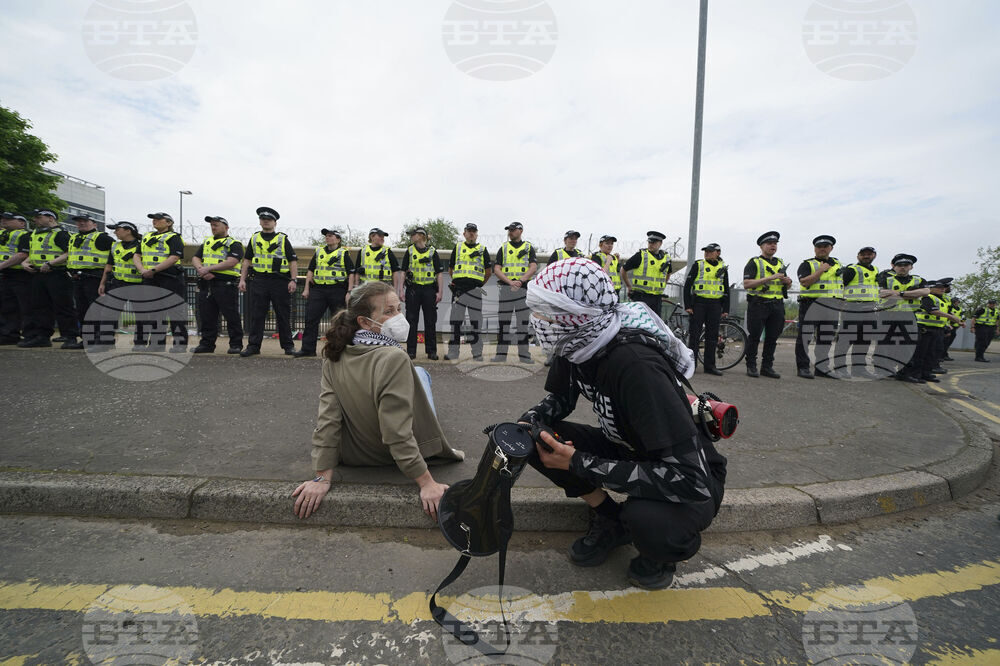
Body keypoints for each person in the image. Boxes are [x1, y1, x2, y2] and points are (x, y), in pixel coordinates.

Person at [519, 257, 727, 589]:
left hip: (688, 474)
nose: (537, 320)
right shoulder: (576, 342)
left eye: (544, 311)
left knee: (647, 520)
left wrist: (578, 462)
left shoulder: (634, 366)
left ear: (575, 316)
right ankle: (610, 520)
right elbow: (561, 400)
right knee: (530, 439)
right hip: (630, 448)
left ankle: (659, 554)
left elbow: (691, 480)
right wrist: (530, 421)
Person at [291, 280, 464, 521]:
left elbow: (328, 419)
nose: (398, 317)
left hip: (356, 453)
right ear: (364, 322)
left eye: (398, 309)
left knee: (420, 374)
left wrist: (322, 476)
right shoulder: (394, 357)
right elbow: (396, 433)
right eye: (389, 312)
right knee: (421, 376)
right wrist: (426, 482)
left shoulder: (335, 352)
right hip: (392, 454)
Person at [239, 206, 298, 357]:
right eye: (263, 219)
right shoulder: (254, 238)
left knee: (283, 315)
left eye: (269, 220)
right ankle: (253, 346)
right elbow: (246, 260)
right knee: (257, 314)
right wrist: (242, 279)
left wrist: (293, 280)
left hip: (279, 281)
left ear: (275, 223)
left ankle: (288, 346)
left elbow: (292, 261)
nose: (266, 222)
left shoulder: (282, 239)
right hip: (259, 280)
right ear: (260, 221)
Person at [18, 209, 80, 349]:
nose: (36, 220)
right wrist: (25, 262)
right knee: (40, 307)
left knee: (63, 307)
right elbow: (34, 253)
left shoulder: (61, 234)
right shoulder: (35, 233)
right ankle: (42, 337)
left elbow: (69, 253)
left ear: (51, 218)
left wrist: (50, 263)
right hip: (38, 274)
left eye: (39, 217)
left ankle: (70, 337)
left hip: (57, 274)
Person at [132, 212, 188, 352]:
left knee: (176, 313)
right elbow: (137, 255)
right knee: (155, 313)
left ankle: (179, 345)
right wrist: (142, 270)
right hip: (150, 278)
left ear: (169, 223)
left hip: (169, 278)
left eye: (159, 219)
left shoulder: (174, 237)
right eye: (153, 219)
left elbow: (174, 257)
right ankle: (156, 344)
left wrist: (153, 270)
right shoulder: (146, 237)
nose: (155, 221)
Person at [295, 228, 355, 358]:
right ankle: (307, 349)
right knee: (311, 319)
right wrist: (306, 289)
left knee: (339, 321)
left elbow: (351, 273)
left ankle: (338, 350)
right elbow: (310, 271)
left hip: (337, 290)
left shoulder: (343, 254)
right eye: (326, 236)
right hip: (318, 290)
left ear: (338, 239)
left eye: (330, 235)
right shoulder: (319, 252)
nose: (327, 237)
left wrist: (349, 291)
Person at [191, 216, 245, 354]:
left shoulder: (234, 243)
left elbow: (232, 261)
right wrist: (201, 270)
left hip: (225, 284)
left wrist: (209, 269)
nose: (213, 227)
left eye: (216, 225)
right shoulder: (207, 242)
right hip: (206, 283)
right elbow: (196, 258)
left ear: (226, 227)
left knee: (231, 315)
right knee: (207, 315)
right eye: (212, 225)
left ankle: (236, 344)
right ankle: (207, 344)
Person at [742, 231, 791, 379]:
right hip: (758, 304)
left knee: (772, 338)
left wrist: (787, 282)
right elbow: (747, 284)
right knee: (755, 337)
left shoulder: (780, 263)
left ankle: (767, 367)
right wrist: (771, 277)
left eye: (775, 244)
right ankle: (751, 366)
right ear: (762, 246)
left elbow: (787, 287)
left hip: (777, 305)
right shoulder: (754, 262)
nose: (773, 246)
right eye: (769, 243)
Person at [795, 235, 843, 379]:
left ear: (831, 248)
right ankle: (803, 368)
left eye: (825, 246)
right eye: (819, 247)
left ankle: (822, 369)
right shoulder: (807, 264)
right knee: (805, 338)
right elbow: (804, 282)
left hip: (832, 306)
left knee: (826, 339)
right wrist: (821, 270)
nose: (822, 249)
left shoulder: (839, 265)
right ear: (815, 249)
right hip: (811, 305)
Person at [897, 279, 963, 383]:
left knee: (932, 354)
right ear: (930, 288)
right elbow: (932, 310)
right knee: (919, 354)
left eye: (944, 287)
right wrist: (951, 317)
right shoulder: (927, 297)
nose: (943, 289)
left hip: (937, 330)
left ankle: (925, 373)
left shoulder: (944, 300)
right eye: (939, 287)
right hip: (924, 329)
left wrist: (956, 321)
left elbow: (948, 314)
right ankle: (913, 374)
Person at [877, 253, 928, 378]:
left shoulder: (919, 280)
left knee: (907, 347)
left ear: (911, 267)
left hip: (909, 317)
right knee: (885, 346)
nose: (903, 267)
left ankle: (904, 372)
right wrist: (911, 293)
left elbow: (926, 292)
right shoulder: (885, 278)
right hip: (888, 316)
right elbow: (882, 293)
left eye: (906, 265)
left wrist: (899, 293)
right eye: (899, 265)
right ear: (894, 266)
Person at [445, 222, 491, 361]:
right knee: (456, 322)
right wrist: (458, 281)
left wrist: (478, 284)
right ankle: (453, 352)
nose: (471, 233)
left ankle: (477, 353)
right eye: (469, 231)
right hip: (459, 290)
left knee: (476, 323)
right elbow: (451, 269)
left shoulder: (483, 250)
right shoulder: (458, 247)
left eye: (474, 231)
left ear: (476, 234)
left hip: (475, 291)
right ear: (464, 233)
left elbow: (488, 272)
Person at [65, 213, 113, 347]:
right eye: (79, 221)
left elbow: (115, 256)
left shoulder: (102, 238)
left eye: (85, 221)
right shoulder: (74, 237)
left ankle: (101, 339)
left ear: (94, 224)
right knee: (82, 310)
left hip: (95, 277)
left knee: (96, 310)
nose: (81, 223)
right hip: (77, 278)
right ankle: (87, 339)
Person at [493, 221, 537, 363]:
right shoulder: (504, 248)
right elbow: (497, 269)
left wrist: (520, 281)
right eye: (509, 230)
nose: (510, 232)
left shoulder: (528, 247)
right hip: (506, 289)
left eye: (513, 229)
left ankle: (524, 356)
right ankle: (501, 355)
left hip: (522, 289)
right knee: (503, 323)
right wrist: (510, 282)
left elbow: (533, 267)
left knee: (522, 323)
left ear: (520, 231)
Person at [833, 246, 880, 378]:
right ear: (858, 256)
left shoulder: (876, 270)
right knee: (845, 340)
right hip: (853, 308)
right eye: (863, 254)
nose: (866, 256)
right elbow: (839, 285)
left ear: (874, 256)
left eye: (869, 254)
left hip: (870, 310)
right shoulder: (852, 270)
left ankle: (859, 369)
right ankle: (840, 368)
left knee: (864, 342)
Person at [683, 243, 730, 376]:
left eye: (710, 251)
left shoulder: (723, 268)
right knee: (695, 335)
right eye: (706, 251)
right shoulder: (698, 265)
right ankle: (692, 365)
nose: (707, 253)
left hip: (715, 305)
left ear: (718, 253)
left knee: (712, 337)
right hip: (699, 304)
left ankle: (710, 366)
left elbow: (726, 289)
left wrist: (726, 308)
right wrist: (688, 306)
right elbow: (687, 286)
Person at [98, 221, 144, 348]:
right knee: (108, 314)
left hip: (138, 284)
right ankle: (106, 342)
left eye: (117, 229)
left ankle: (140, 343)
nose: (115, 232)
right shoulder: (115, 246)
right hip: (117, 283)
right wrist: (102, 283)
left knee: (141, 316)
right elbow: (108, 267)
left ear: (128, 230)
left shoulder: (143, 246)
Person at [401, 227, 444, 360]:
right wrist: (401, 291)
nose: (411, 237)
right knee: (411, 321)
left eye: (413, 235)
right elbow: (403, 271)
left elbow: (439, 274)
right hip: (413, 290)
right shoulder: (409, 251)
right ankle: (411, 351)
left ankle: (431, 351)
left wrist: (440, 292)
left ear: (421, 236)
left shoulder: (432, 252)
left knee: (430, 321)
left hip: (429, 290)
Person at [0, 212, 31, 345]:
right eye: (3, 219)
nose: (4, 221)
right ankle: (7, 334)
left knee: (22, 306)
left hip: (20, 275)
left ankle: (24, 334)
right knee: (6, 306)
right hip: (6, 274)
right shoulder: (3, 233)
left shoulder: (25, 235)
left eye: (9, 219)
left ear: (22, 223)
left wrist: (1, 266)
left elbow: (22, 254)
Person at [622, 231, 671, 315]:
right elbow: (623, 269)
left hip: (657, 298)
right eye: (649, 242)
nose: (651, 244)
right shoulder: (641, 255)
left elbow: (668, 272)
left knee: (655, 323)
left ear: (660, 243)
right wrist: (628, 286)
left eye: (654, 242)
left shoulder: (666, 258)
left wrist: (663, 284)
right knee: (640, 322)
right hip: (641, 297)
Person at [972, 298, 999, 362]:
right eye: (990, 303)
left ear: (995, 304)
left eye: (993, 303)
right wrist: (972, 327)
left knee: (987, 342)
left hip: (991, 328)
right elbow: (974, 318)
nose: (992, 305)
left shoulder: (997, 311)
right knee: (982, 341)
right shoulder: (982, 309)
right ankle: (979, 357)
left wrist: (997, 329)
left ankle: (980, 355)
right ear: (988, 304)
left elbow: (997, 320)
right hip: (981, 327)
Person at [941, 292, 962, 361]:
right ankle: (941, 355)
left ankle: (944, 354)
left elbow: (961, 317)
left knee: (948, 343)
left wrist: (960, 324)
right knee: (944, 342)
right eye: (956, 302)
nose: (957, 303)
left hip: (955, 327)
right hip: (948, 326)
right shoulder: (950, 308)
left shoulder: (960, 309)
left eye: (958, 302)